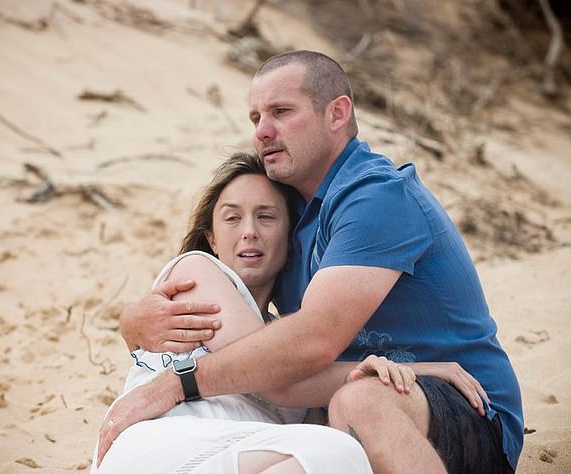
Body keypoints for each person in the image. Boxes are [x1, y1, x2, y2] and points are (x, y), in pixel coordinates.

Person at [108, 51, 524, 473]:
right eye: (255, 118)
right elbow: (256, 330)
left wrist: (181, 383)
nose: (263, 131)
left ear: (336, 113)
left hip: (467, 409)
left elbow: (310, 341)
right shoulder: (293, 219)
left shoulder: (375, 197)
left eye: (281, 112)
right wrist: (132, 324)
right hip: (350, 406)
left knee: (358, 399)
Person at [94, 152, 403, 473]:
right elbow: (278, 376)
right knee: (337, 453)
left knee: (336, 457)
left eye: (266, 217)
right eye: (232, 218)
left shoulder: (284, 336)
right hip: (169, 442)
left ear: (290, 236)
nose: (249, 231)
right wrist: (428, 371)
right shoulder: (195, 272)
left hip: (250, 451)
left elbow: (308, 387)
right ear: (211, 239)